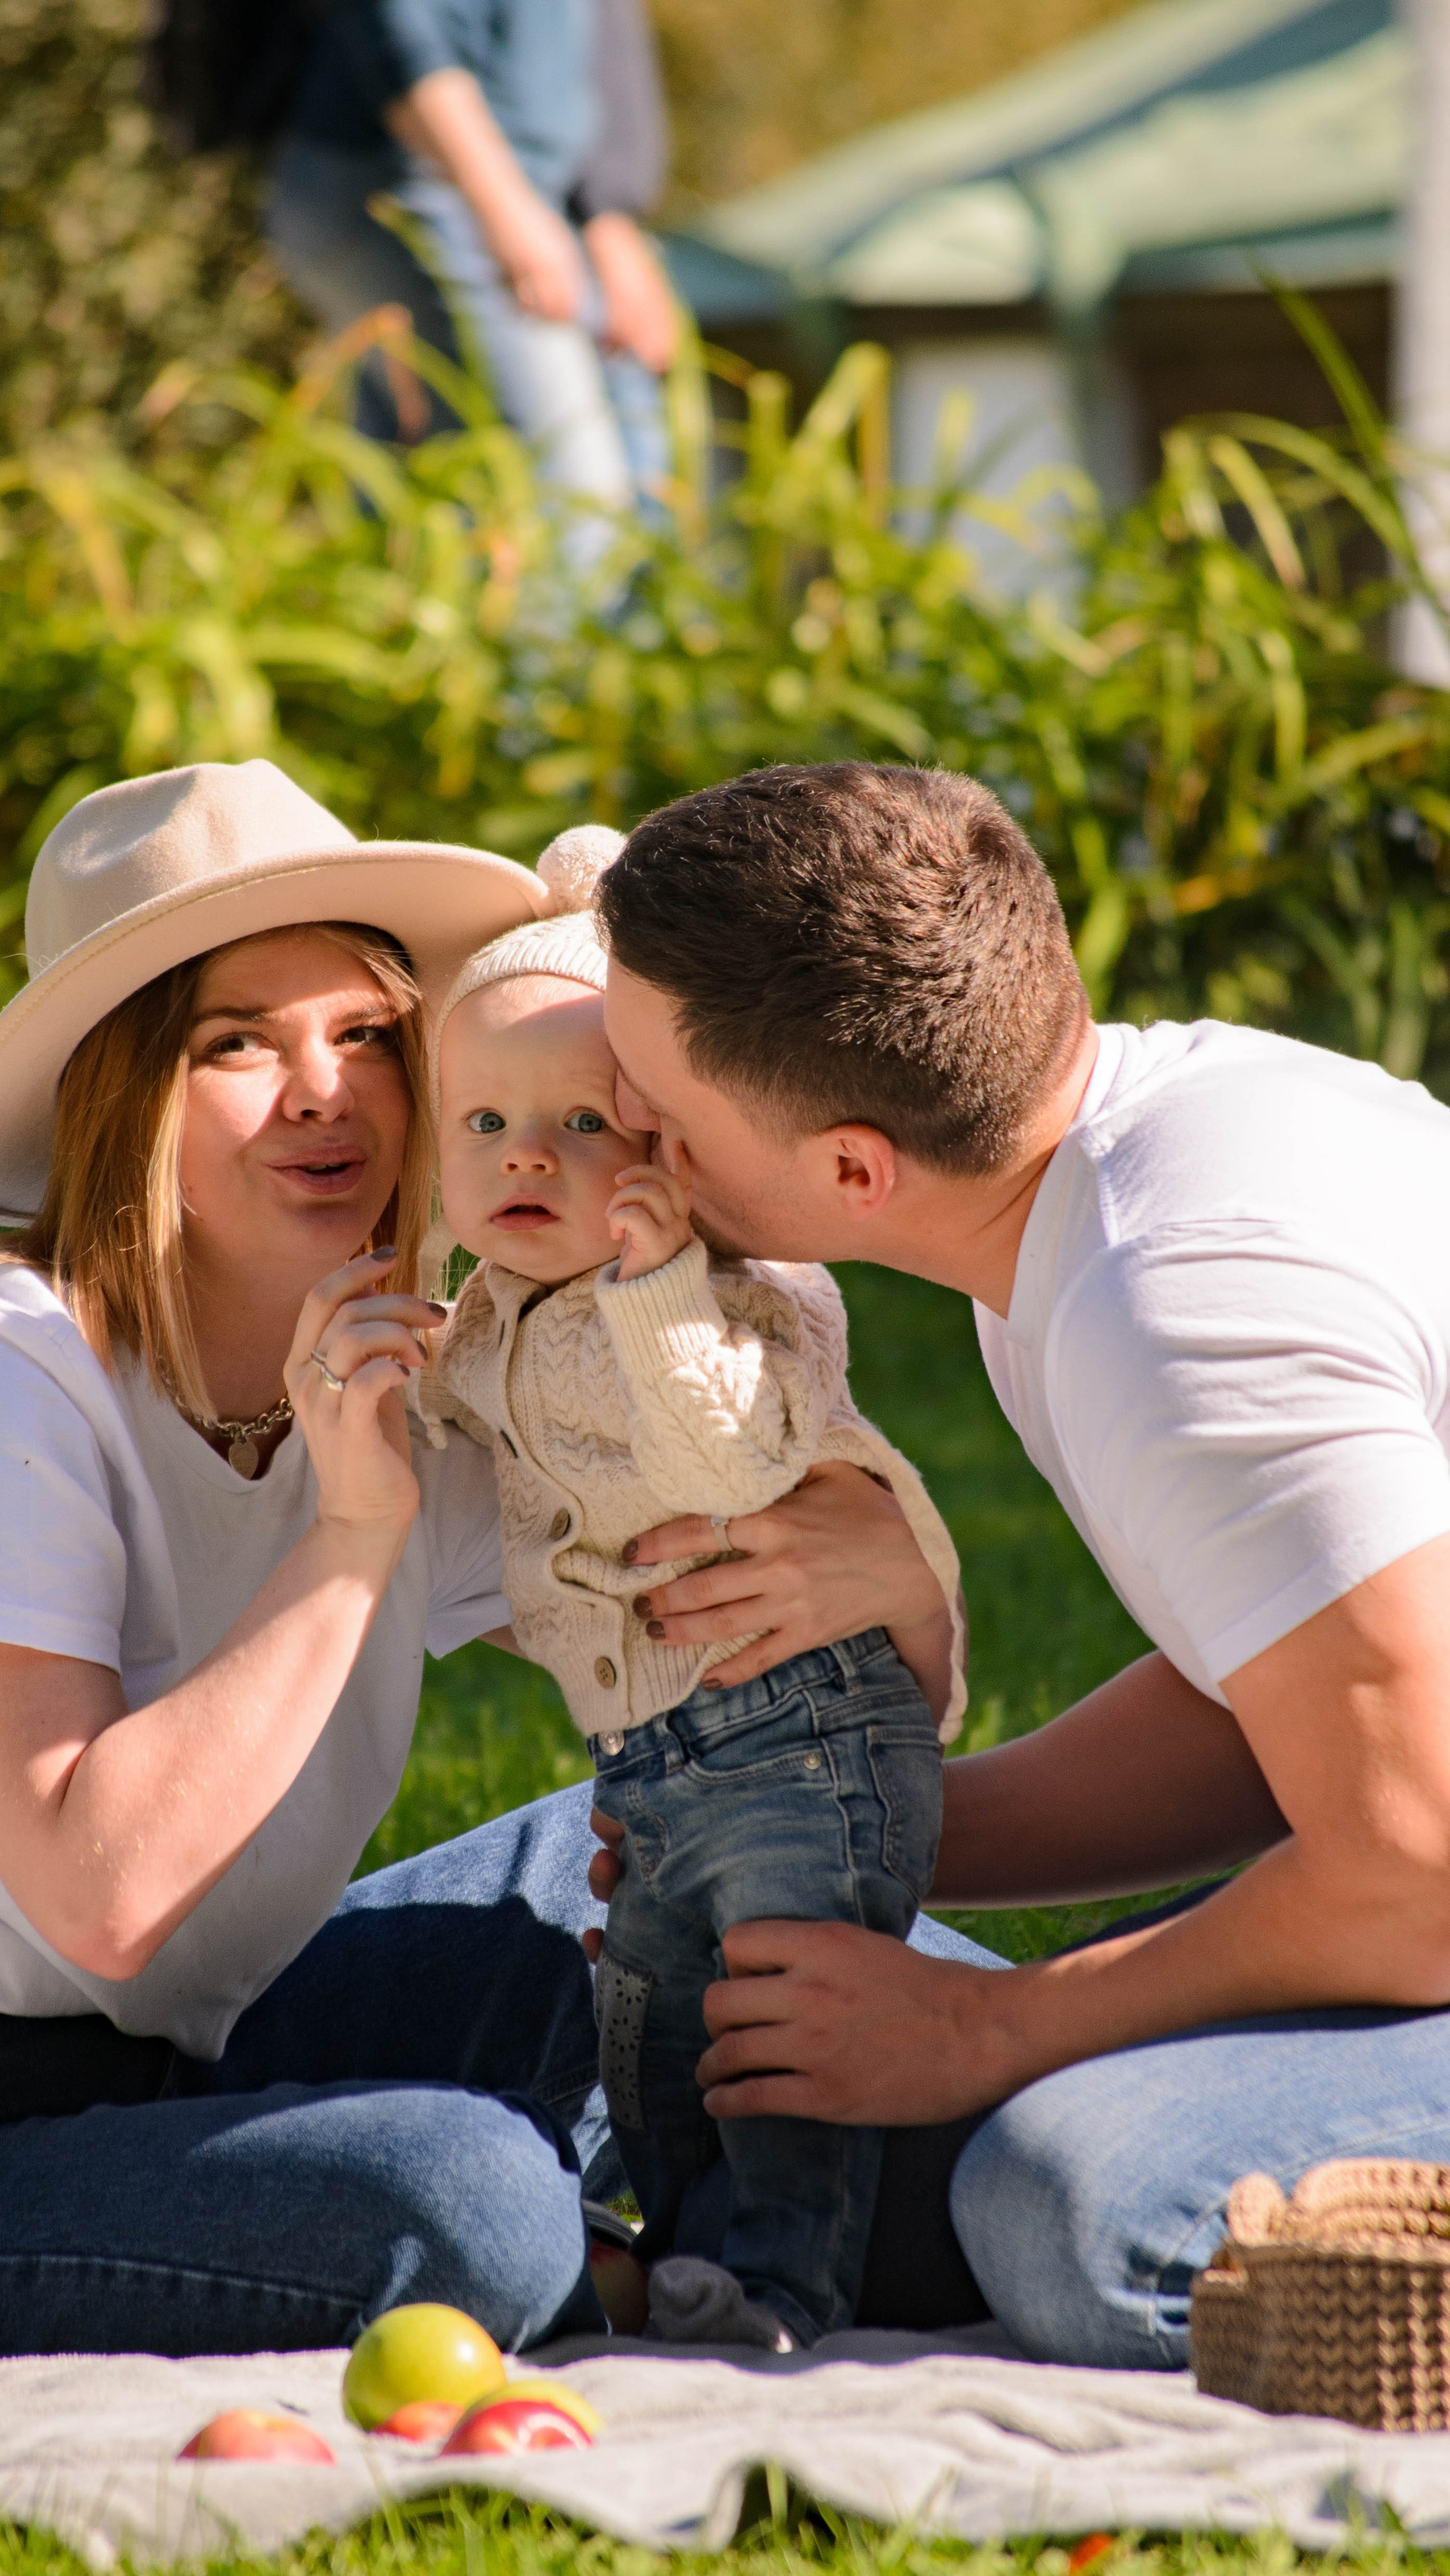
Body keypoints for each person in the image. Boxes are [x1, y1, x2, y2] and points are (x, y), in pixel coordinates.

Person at [0, 755, 955, 2364]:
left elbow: (750, 1674)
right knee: (464, 2204)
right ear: (120, 1095)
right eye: (233, 1045)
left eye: (365, 1037)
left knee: (672, 1903)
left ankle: (1020, 2129)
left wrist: (888, 1586)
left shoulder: (425, 1378)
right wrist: (351, 1527)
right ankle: (647, 2250)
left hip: (180, 2052)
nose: (321, 1092)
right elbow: (100, 1891)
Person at [587, 756, 1450, 2369]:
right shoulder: (1111, 1182)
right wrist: (840, 1835)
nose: (616, 1126)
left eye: (657, 1106)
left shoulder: (1174, 1312)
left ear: (850, 1169)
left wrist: (988, 2025)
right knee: (870, 2172)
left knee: (1070, 2205)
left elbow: (1412, 1867)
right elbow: (1275, 1703)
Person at [417, 826, 964, 2351]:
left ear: (667, 1144)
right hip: (657, 1766)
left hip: (800, 1731)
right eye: (482, 1122)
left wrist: (657, 1292)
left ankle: (788, 2284)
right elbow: (456, 1433)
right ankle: (681, 2248)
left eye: (578, 1123)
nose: (525, 1157)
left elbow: (727, 1461)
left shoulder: (731, 1293)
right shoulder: (493, 1312)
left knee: (785, 2036)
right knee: (647, 2034)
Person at [266, 0, 675, 529]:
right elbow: (395, 29)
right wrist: (502, 206)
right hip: (426, 177)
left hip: (534, 190)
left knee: (635, 461)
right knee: (566, 503)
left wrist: (608, 213)